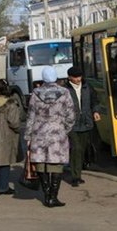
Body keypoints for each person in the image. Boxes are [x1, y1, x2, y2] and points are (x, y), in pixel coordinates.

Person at [24, 66, 75, 207]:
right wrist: (64, 129)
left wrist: (28, 136)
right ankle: (53, 196)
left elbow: (30, 117)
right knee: (57, 165)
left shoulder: (35, 94)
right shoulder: (64, 93)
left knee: (41, 164)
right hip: (57, 133)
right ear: (56, 77)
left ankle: (47, 194)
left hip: (39, 133)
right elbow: (71, 115)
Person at [64, 66, 100, 187]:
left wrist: (95, 111)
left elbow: (95, 100)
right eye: (75, 77)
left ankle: (76, 170)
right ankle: (76, 177)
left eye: (80, 76)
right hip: (71, 124)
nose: (78, 79)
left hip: (85, 122)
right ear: (70, 77)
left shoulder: (87, 87)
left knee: (82, 148)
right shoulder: (65, 90)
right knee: (76, 148)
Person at [0, 79, 21, 195]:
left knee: (0, 160)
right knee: (5, 161)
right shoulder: (11, 103)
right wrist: (18, 130)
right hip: (7, 134)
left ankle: (2, 184)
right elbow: (14, 122)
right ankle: (3, 186)